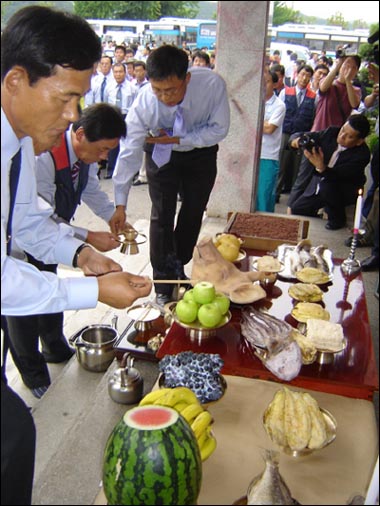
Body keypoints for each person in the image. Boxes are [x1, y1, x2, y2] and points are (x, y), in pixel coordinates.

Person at [1, 7, 152, 504]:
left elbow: (26, 225)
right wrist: (90, 289)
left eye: (79, 100)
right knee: (13, 435)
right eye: (65, 98)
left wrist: (81, 252)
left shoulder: (21, 143)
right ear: (16, 81)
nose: (72, 117)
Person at [5, 103, 127, 398]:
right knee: (21, 312)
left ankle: (54, 346)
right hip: (16, 255)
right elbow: (39, 221)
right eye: (66, 99)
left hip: (46, 244)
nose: (104, 157)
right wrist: (88, 249)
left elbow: (34, 224)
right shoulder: (41, 155)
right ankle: (33, 375)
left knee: (48, 288)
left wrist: (85, 250)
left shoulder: (68, 154)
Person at [110, 45, 230, 306]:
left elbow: (219, 129)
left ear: (187, 78)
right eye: (158, 90)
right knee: (162, 213)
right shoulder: (144, 102)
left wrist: (181, 139)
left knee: (194, 209)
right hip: (159, 151)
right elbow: (129, 151)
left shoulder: (211, 85)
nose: (164, 97)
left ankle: (179, 264)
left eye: (172, 90)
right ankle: (164, 281)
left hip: (201, 152)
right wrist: (120, 202)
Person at [287, 114, 371, 230]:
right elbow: (304, 136)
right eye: (343, 130)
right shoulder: (331, 132)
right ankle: (319, 211)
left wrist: (321, 167)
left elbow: (339, 175)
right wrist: (297, 141)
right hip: (319, 185)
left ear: (359, 141)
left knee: (327, 185)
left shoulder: (362, 155)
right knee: (297, 209)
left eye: (349, 136)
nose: (342, 136)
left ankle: (337, 219)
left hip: (342, 188)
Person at [276, 64, 316, 202]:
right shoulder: (286, 92)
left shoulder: (313, 96)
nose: (304, 78)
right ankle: (276, 193)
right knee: (282, 163)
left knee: (298, 166)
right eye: (302, 75)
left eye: (308, 76)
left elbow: (314, 116)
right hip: (286, 132)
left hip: (302, 134)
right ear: (297, 75)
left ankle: (294, 197)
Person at [256, 69, 286, 212]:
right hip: (252, 154)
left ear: (274, 84)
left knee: (264, 195)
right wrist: (264, 122)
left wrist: (254, 123)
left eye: (267, 82)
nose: (263, 85)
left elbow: (269, 129)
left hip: (267, 156)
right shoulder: (254, 101)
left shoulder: (279, 105)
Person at [312, 55, 362, 132]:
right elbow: (323, 88)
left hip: (336, 135)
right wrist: (338, 65)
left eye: (353, 68)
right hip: (319, 131)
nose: (348, 69)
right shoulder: (329, 82)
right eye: (346, 65)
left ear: (356, 71)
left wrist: (348, 80)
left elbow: (354, 104)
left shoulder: (356, 90)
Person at [104, 63, 136, 178]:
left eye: (120, 72)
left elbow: (135, 105)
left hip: (126, 116)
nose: (118, 74)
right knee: (113, 144)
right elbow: (105, 103)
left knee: (127, 145)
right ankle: (111, 170)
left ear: (125, 72)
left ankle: (128, 172)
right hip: (113, 116)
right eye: (116, 72)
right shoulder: (109, 87)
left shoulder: (132, 88)